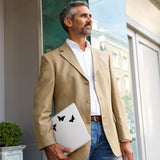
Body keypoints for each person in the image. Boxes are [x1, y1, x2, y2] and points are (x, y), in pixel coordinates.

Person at [33, 1, 134, 160]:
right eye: (83, 16)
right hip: (73, 138)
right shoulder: (51, 60)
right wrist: (48, 144)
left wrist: (125, 138)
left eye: (90, 16)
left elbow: (116, 101)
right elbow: (41, 109)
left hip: (108, 136)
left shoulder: (103, 57)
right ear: (69, 22)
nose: (89, 19)